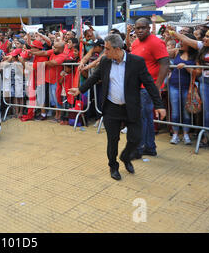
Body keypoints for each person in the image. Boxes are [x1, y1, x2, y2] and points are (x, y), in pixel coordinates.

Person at [69, 34, 166, 180]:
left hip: (131, 107)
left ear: (118, 49)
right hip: (111, 108)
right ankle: (113, 166)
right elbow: (94, 77)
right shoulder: (105, 62)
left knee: (135, 138)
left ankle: (126, 157)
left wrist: (159, 105)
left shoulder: (136, 62)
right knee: (112, 140)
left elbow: (149, 84)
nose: (104, 53)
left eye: (107, 49)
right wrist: (80, 90)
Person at [168, 27, 209, 148]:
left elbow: (197, 70)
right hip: (205, 84)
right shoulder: (202, 48)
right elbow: (185, 39)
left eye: (207, 37)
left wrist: (187, 68)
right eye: (204, 36)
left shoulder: (197, 52)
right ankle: (207, 139)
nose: (204, 38)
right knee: (208, 113)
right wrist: (173, 33)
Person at [129, 18, 169, 159]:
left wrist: (157, 86)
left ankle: (139, 149)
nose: (139, 31)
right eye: (137, 28)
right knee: (145, 118)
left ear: (149, 28)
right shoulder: (135, 43)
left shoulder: (156, 42)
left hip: (148, 87)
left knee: (142, 119)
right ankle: (149, 147)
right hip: (138, 87)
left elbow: (165, 64)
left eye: (143, 28)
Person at [167, 38, 198, 145]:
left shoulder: (196, 56)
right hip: (174, 85)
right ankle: (175, 135)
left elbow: (196, 72)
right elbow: (163, 52)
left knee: (186, 113)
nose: (181, 43)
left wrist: (186, 67)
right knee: (175, 112)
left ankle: (185, 135)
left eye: (183, 42)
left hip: (187, 87)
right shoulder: (176, 51)